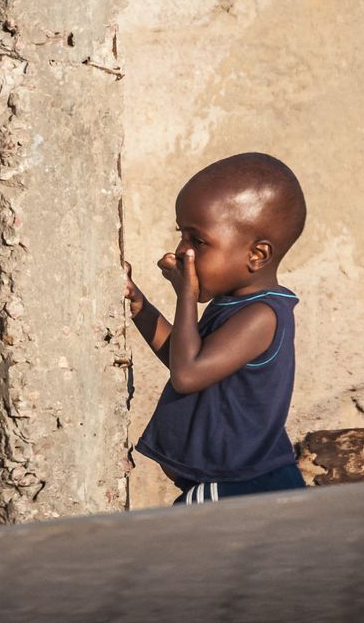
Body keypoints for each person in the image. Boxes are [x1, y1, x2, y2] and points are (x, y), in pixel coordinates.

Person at [123, 152, 308, 505]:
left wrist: (187, 296)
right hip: (233, 484)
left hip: (238, 488)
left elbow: (188, 375)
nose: (181, 251)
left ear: (257, 255)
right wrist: (141, 309)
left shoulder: (262, 316)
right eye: (182, 235)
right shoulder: (233, 303)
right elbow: (186, 360)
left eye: (198, 241)